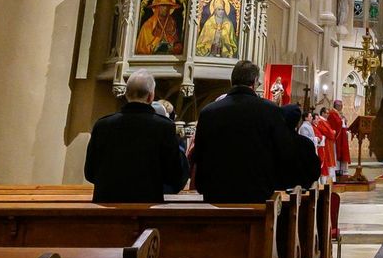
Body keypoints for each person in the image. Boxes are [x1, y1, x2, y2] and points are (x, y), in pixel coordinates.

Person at [193, 60, 319, 202]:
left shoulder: (208, 112)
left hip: (215, 193)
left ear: (231, 81)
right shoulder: (270, 110)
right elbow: (284, 153)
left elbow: (199, 155)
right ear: (254, 82)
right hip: (256, 193)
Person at [85, 70, 188, 203]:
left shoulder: (103, 125)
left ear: (126, 94)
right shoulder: (164, 127)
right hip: (147, 202)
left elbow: (90, 172)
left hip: (107, 202)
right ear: (151, 96)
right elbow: (174, 175)